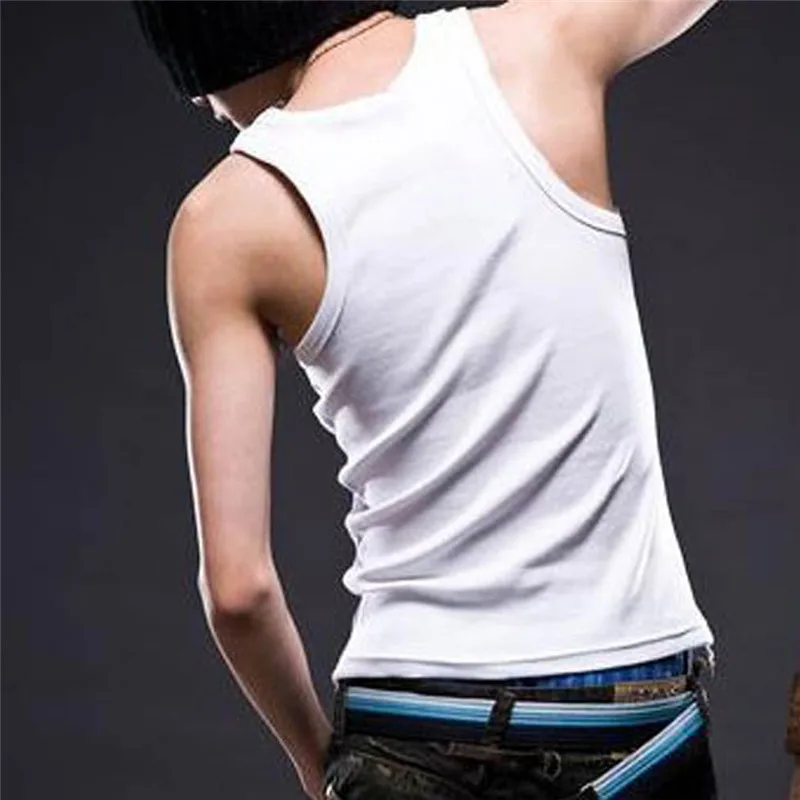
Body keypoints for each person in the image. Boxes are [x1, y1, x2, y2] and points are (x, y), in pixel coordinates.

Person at [131, 1, 724, 797]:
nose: (208, 109)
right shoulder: (540, 43)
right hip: (633, 714)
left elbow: (237, 591)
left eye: (196, 86)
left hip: (411, 721)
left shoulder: (224, 219)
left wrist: (318, 765)